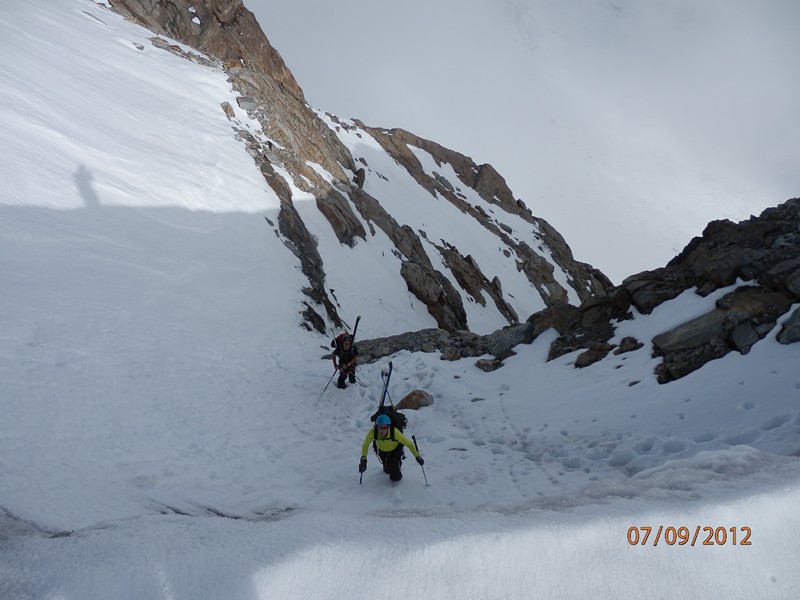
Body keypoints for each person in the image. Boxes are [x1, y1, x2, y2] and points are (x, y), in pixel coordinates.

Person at [359, 414, 424, 482]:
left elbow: (409, 444)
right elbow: (365, 445)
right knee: (387, 471)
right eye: (380, 427)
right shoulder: (373, 432)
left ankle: (398, 463)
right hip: (382, 451)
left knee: (395, 477)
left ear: (388, 427)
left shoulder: (395, 433)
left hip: (395, 450)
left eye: (384, 428)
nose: (381, 430)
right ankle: (389, 464)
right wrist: (364, 459)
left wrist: (417, 457)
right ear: (376, 426)